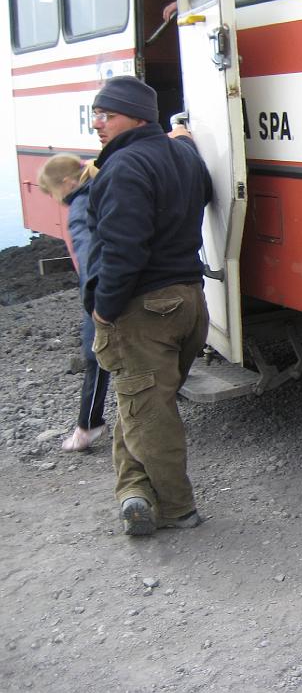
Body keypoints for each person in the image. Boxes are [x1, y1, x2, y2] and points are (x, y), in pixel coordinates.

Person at [83, 75, 214, 537]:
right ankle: (134, 492)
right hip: (190, 303)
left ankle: (178, 509)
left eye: (107, 115)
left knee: (148, 413)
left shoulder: (123, 169)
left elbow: (124, 250)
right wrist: (184, 139)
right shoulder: (180, 155)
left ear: (137, 117)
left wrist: (104, 307)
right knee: (137, 401)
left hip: (144, 310)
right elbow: (202, 184)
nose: (97, 124)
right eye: (95, 114)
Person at [37, 154, 110, 452]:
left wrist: (91, 304)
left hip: (105, 293)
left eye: (54, 193)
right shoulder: (107, 183)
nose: (58, 200)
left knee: (96, 357)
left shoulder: (80, 205)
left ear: (67, 183)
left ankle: (88, 426)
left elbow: (89, 260)